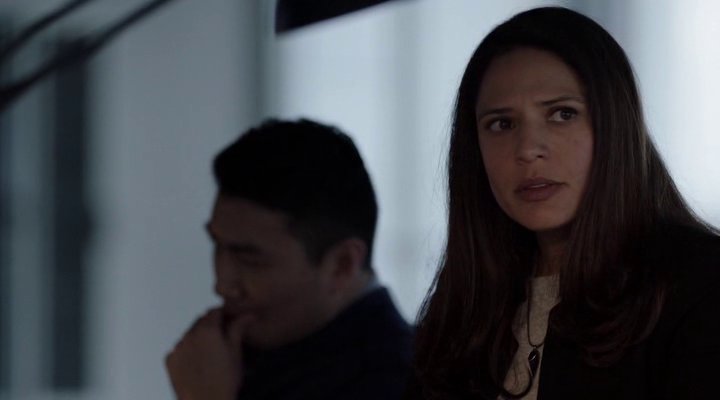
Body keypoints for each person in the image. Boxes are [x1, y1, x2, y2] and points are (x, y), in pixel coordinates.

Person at [407, 6, 720, 400]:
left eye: (562, 114)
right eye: (502, 124)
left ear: (615, 125)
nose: (528, 149)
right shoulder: (465, 309)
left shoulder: (699, 286)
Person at [165, 118, 413, 400]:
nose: (222, 285)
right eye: (217, 246)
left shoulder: (399, 383)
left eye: (250, 259)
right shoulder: (241, 355)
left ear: (342, 264)